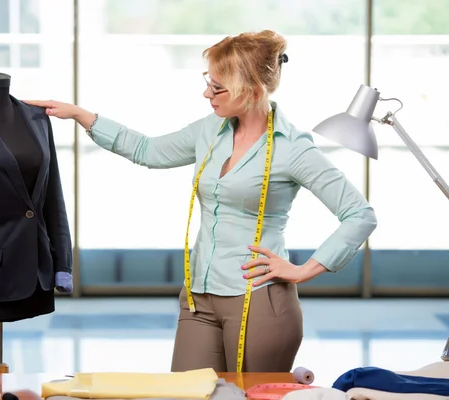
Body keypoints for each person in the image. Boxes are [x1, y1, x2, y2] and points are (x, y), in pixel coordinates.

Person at [24, 30, 377, 373]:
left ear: (251, 89)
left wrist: (303, 270)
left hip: (258, 300)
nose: (207, 93)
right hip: (198, 297)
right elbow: (147, 150)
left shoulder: (292, 148)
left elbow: (359, 215)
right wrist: (80, 115)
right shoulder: (210, 130)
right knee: (187, 391)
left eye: (218, 87)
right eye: (208, 81)